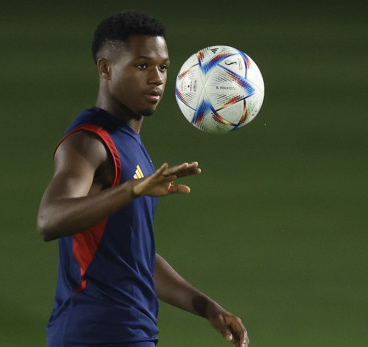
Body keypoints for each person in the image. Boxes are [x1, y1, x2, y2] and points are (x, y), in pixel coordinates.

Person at [36, 10, 249, 347]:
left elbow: (134, 258)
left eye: (163, 67)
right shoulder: (90, 141)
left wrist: (207, 307)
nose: (157, 78)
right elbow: (49, 219)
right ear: (106, 68)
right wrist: (133, 189)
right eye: (141, 65)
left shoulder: (128, 142)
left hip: (127, 333)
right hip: (95, 334)